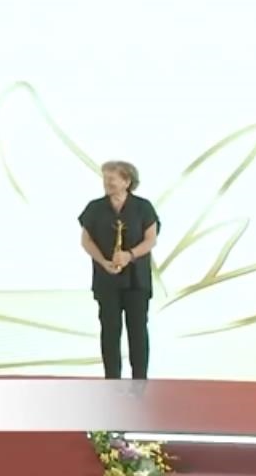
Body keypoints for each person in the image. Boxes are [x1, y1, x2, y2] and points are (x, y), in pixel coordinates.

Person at [79, 161, 159, 380]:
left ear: (127, 181)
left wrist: (129, 255)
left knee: (138, 330)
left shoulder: (143, 207)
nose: (107, 183)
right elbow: (86, 240)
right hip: (107, 279)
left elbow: (151, 240)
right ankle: (111, 381)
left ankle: (140, 381)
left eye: (112, 179)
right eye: (105, 178)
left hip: (136, 280)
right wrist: (103, 261)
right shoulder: (95, 208)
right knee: (110, 330)